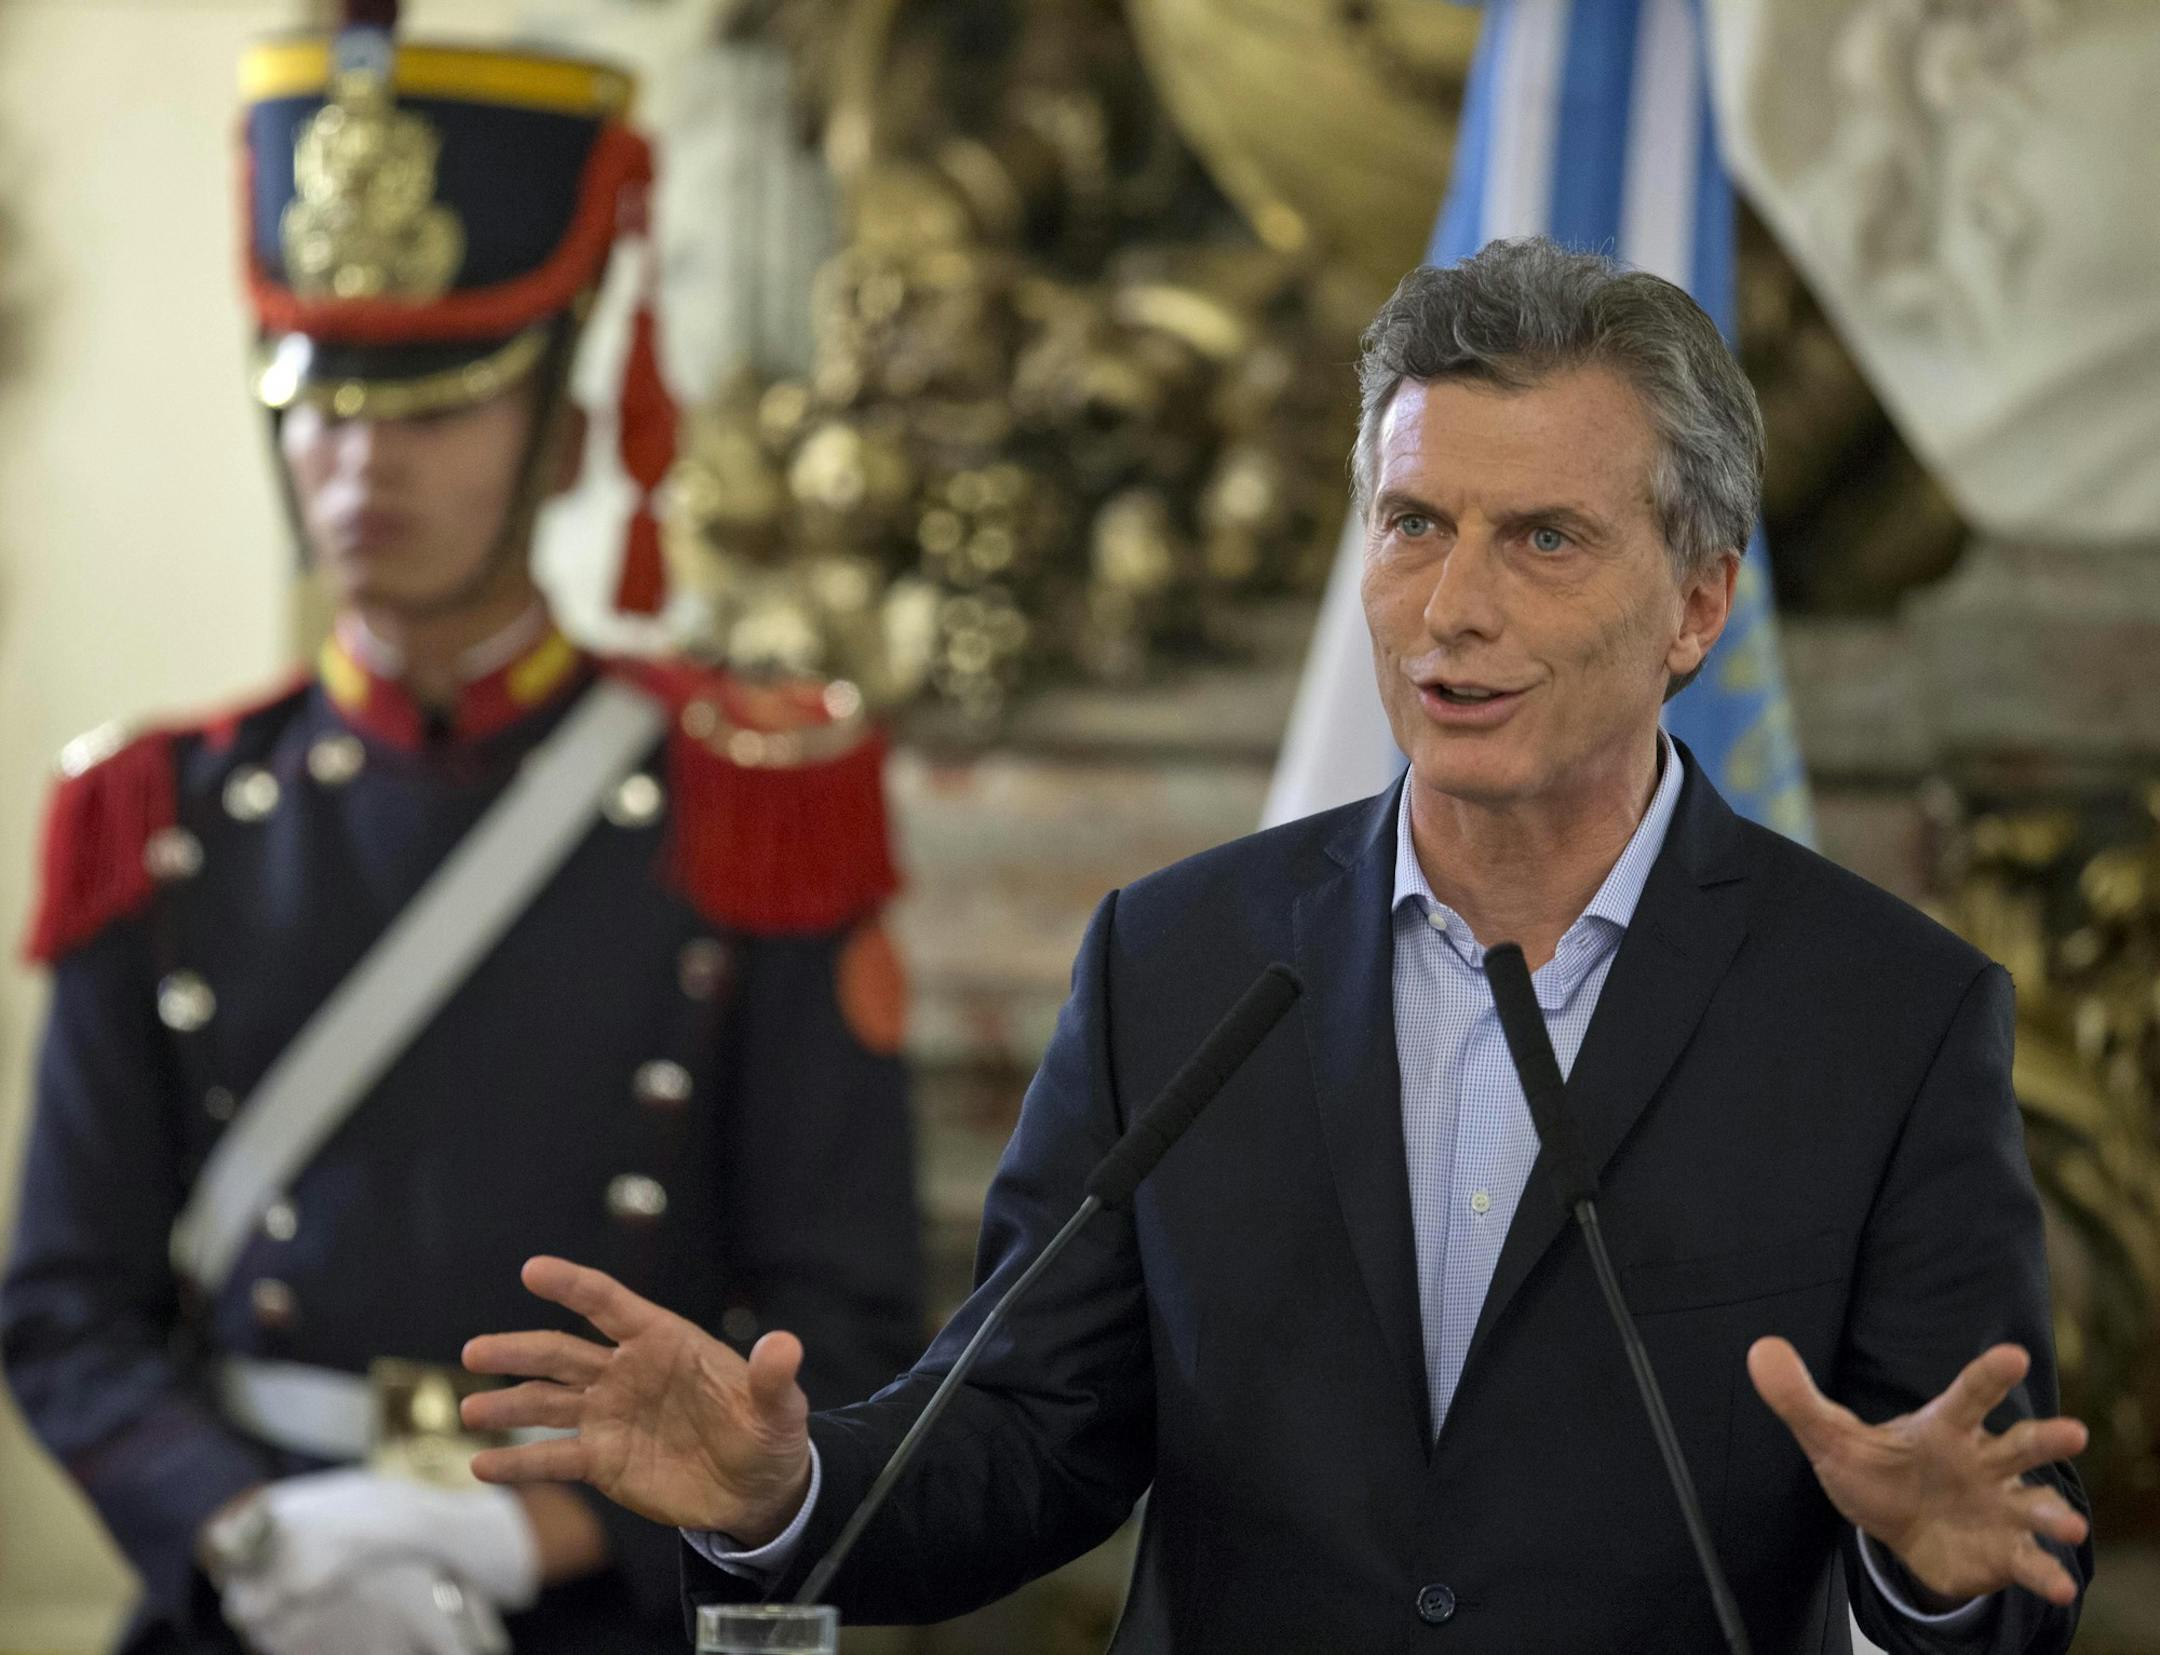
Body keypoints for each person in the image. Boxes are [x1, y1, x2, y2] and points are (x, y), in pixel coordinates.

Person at [459, 239, 2093, 1654]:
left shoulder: (1887, 1020)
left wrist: (1924, 1587)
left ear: (1695, 605)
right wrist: (786, 1489)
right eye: (1411, 523)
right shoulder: (1176, 963)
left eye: (1542, 539)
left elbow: (1988, 1535)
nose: (1451, 606)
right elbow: (1024, 1435)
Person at [0, 6, 922, 1652]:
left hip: (607, 1603)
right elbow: (69, 1307)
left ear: (565, 434)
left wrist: (540, 1543)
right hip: (258, 1596)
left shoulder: (754, 798)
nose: (362, 465)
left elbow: (843, 1322)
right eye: (324, 406)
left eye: (433, 408)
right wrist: (250, 1530)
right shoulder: (154, 814)